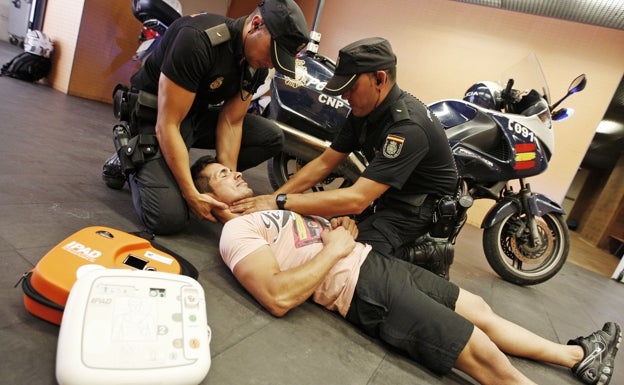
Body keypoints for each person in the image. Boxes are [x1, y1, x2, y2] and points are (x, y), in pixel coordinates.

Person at [190, 154, 620, 385]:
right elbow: (277, 297)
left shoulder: (268, 206)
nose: (235, 174)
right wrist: (336, 249)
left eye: (230, 168)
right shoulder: (237, 234)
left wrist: (339, 228)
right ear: (211, 198)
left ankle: (578, 356)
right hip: (362, 288)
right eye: (223, 176)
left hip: (374, 263)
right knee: (478, 351)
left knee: (480, 310)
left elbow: (317, 237)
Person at [230, 37, 458, 277]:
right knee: (334, 236)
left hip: (418, 209)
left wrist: (279, 202)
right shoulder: (365, 110)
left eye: (350, 88)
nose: (345, 96)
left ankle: (429, 254)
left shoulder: (407, 127)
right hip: (387, 195)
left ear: (379, 79)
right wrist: (274, 201)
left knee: (354, 260)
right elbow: (325, 162)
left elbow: (357, 199)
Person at [102, 0, 309, 235]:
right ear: (256, 24)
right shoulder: (198, 39)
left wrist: (226, 189)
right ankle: (129, 155)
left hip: (195, 115)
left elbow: (231, 122)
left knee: (270, 136)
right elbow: (168, 124)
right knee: (168, 218)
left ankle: (174, 175)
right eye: (273, 53)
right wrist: (190, 193)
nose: (272, 63)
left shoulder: (256, 65)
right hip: (156, 116)